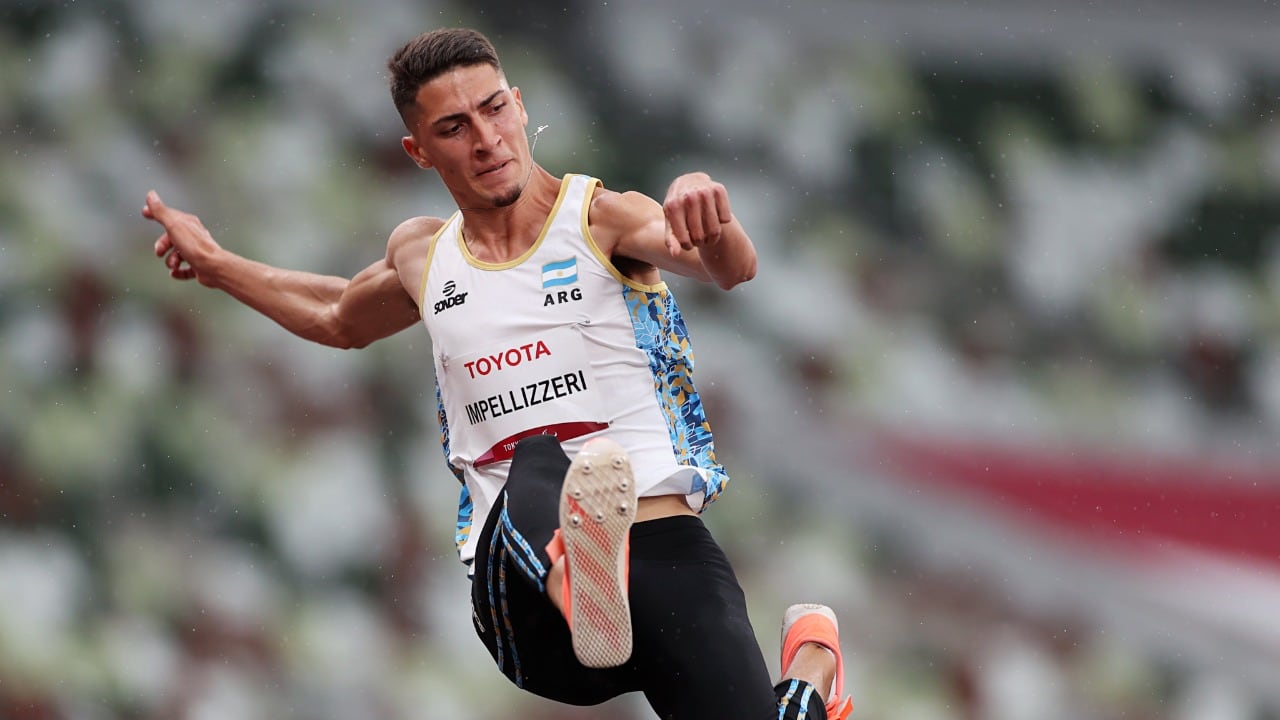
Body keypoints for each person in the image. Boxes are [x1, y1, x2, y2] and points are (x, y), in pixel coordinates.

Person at [142, 26, 853, 720]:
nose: (485, 141)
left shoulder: (602, 218)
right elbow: (336, 315)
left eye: (493, 110)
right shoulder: (425, 253)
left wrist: (712, 212)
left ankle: (810, 667)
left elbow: (730, 266)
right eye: (453, 128)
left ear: (519, 104)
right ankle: (574, 568)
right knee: (539, 453)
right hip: (522, 584)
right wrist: (218, 266)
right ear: (417, 151)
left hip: (665, 554)